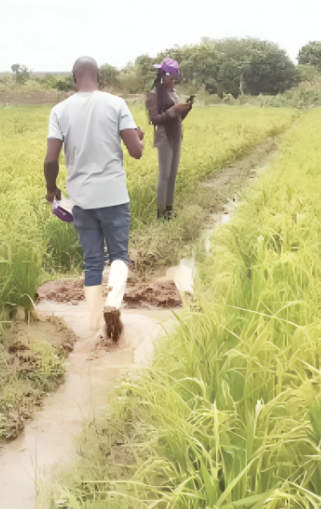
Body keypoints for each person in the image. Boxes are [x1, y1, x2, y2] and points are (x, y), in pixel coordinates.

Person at [44, 56, 144, 342]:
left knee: (92, 261)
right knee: (119, 256)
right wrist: (140, 137)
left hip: (82, 201)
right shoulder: (116, 104)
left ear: (74, 77)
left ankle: (93, 324)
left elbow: (51, 159)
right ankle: (113, 304)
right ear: (98, 77)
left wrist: (52, 189)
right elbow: (136, 151)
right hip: (113, 196)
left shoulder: (60, 110)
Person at [146, 57, 192, 220]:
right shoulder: (153, 94)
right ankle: (160, 214)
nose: (174, 82)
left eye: (175, 79)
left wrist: (185, 109)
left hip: (176, 134)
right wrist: (173, 110)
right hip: (164, 135)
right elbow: (154, 119)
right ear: (163, 76)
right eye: (171, 79)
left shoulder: (173, 92)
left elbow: (177, 118)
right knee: (164, 175)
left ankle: (169, 211)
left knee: (172, 175)